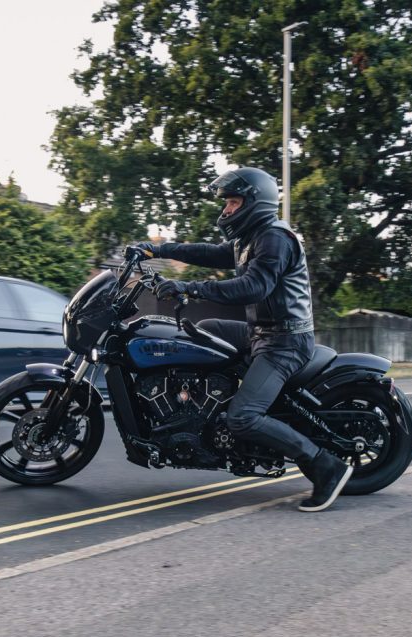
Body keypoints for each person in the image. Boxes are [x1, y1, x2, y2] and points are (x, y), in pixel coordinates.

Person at [126, 167, 352, 512]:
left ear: (255, 202)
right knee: (206, 331)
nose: (227, 209)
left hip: (285, 343)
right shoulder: (251, 238)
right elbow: (207, 253)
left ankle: (325, 466)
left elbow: (253, 287)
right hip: (260, 332)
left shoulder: (275, 238)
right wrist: (156, 250)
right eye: (228, 202)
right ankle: (206, 409)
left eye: (233, 201)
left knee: (243, 417)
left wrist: (189, 287)